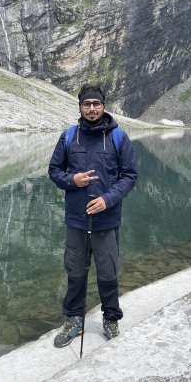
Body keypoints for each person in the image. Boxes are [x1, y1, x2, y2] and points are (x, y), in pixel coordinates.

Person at [48, 83, 138, 347]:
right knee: (75, 271)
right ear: (80, 107)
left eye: (96, 104)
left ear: (103, 106)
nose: (91, 108)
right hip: (76, 219)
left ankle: (111, 319)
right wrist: (72, 180)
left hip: (106, 219)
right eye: (86, 104)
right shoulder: (69, 137)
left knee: (108, 273)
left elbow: (129, 176)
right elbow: (54, 171)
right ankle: (74, 320)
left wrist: (107, 200)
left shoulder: (118, 137)